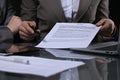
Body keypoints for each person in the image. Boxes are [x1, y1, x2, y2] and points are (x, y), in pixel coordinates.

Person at [19, 0, 117, 42]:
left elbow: (103, 23)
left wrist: (111, 30)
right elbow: (27, 24)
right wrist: (27, 32)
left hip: (88, 59)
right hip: (47, 55)